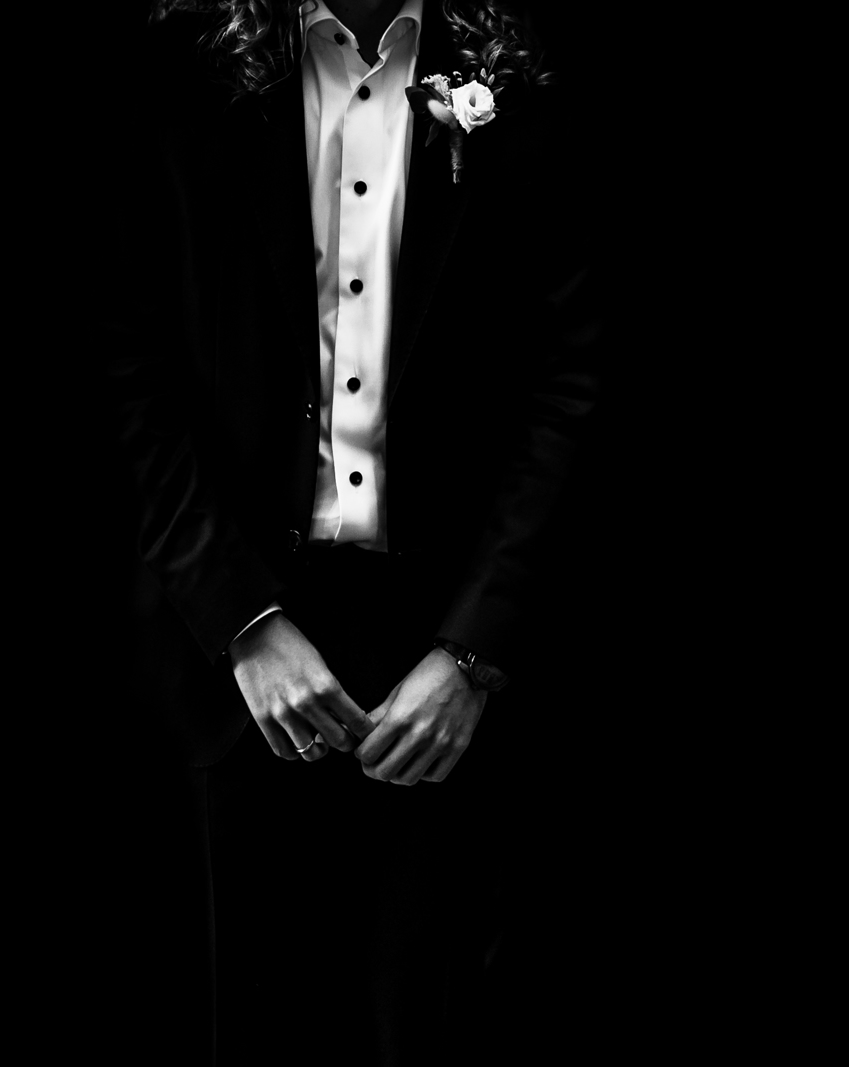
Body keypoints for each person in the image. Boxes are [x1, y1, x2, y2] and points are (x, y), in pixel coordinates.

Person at [107, 1, 601, 1060]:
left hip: (448, 661)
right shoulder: (176, 72)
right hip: (225, 656)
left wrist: (473, 650)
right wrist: (241, 619)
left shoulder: (524, 71)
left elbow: (573, 379)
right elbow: (126, 363)